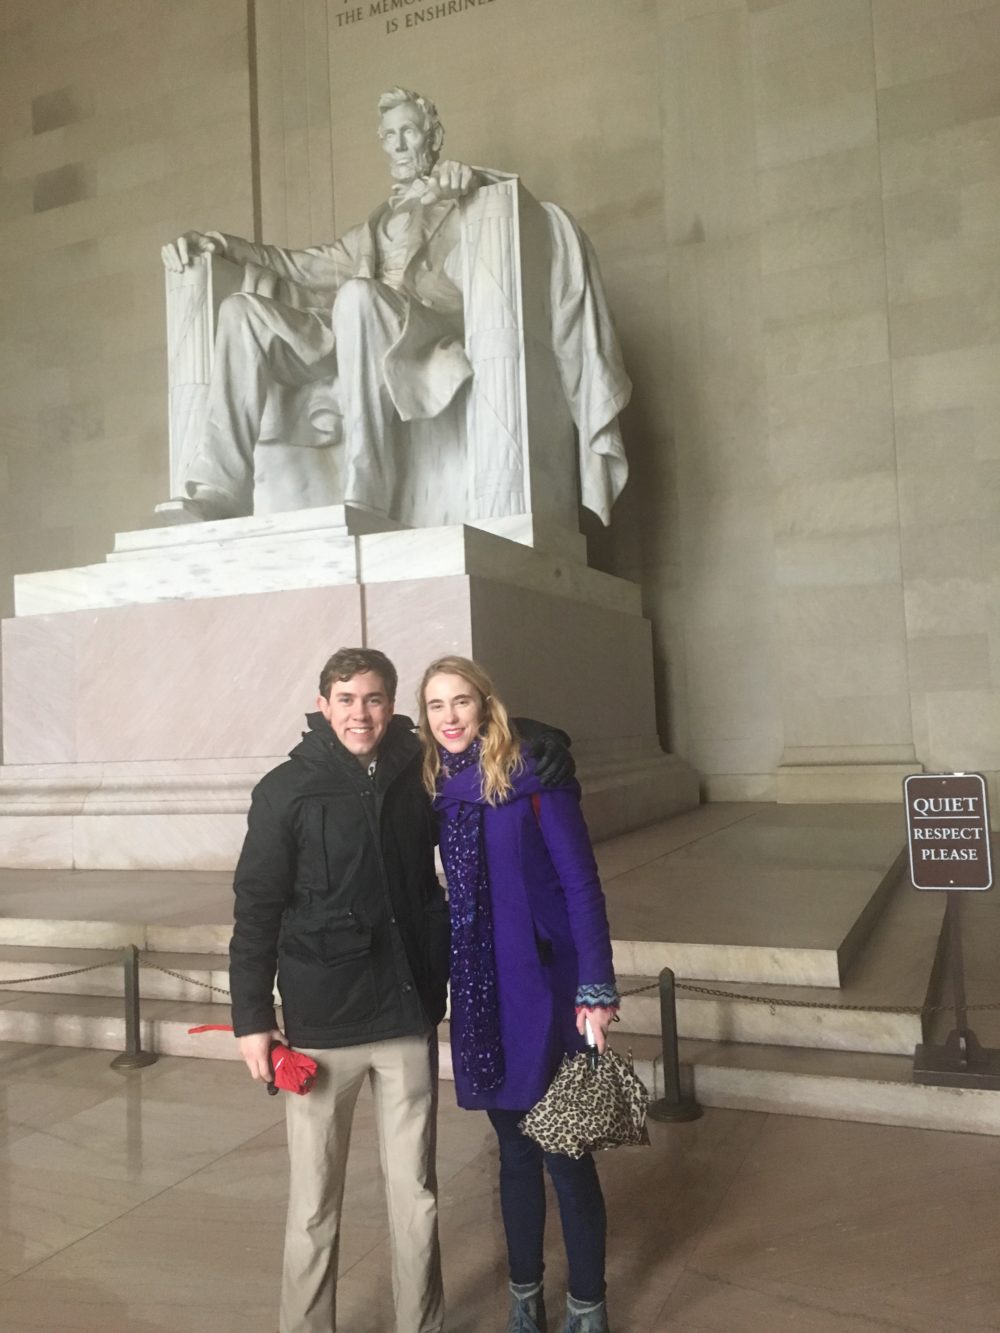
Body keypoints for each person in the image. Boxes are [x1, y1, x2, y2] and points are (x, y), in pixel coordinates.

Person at [229, 646, 573, 1333]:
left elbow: (477, 728)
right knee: (314, 1204)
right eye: (347, 698)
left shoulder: (417, 769)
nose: (362, 712)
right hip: (323, 1023)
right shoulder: (283, 791)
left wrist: (547, 740)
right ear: (323, 704)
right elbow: (256, 909)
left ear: (392, 706)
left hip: (406, 1011)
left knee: (415, 1195)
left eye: (376, 697)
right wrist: (250, 1018)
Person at [160, 87, 486, 522]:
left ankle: (368, 486)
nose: (400, 144)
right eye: (390, 135)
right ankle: (221, 490)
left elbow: (505, 209)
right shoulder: (372, 228)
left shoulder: (463, 197)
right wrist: (220, 244)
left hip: (421, 330)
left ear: (432, 135)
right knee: (240, 312)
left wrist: (471, 183)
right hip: (355, 326)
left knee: (356, 295)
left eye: (409, 130)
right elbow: (297, 264)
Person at [417, 655, 620, 1333]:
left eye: (461, 701)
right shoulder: (441, 785)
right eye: (436, 704)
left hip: (547, 989)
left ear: (485, 703)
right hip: (482, 999)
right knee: (514, 1154)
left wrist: (596, 985)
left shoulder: (535, 776)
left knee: (566, 1152)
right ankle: (525, 1299)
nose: (449, 716)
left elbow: (580, 884)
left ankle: (587, 1306)